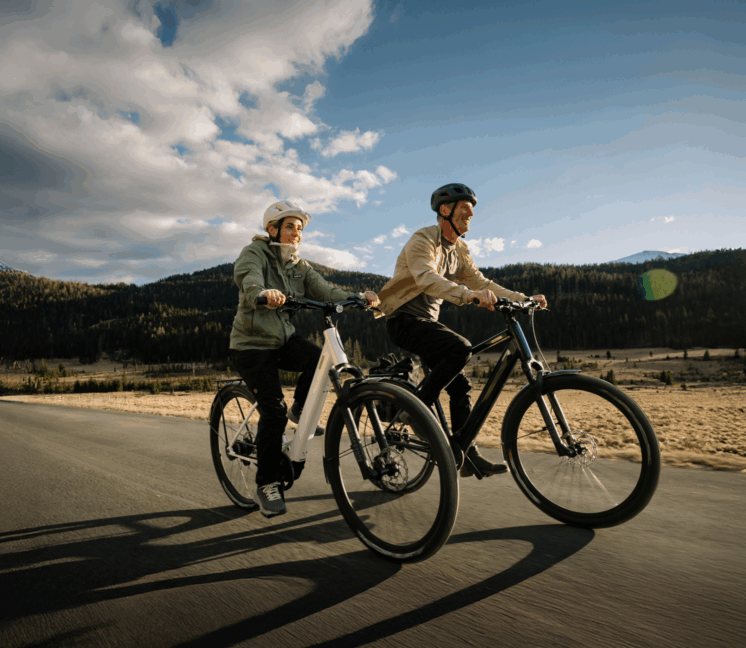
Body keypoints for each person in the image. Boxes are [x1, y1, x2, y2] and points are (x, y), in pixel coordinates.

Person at [375, 183, 547, 478]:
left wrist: (523, 299)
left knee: (461, 385)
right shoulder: (423, 240)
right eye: (465, 207)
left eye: (472, 208)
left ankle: (467, 453)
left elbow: (482, 282)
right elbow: (426, 277)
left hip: (427, 324)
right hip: (403, 320)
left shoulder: (460, 249)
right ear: (445, 210)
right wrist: (467, 295)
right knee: (461, 348)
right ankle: (415, 409)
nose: (471, 213)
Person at [230, 200, 380, 518]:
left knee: (317, 360)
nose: (296, 233)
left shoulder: (299, 265)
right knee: (273, 410)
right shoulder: (254, 254)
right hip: (251, 346)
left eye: (300, 228)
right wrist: (263, 292)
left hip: (281, 340)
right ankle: (267, 483)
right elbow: (248, 279)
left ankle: (301, 409)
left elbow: (324, 290)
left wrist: (357, 298)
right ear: (272, 229)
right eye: (290, 227)